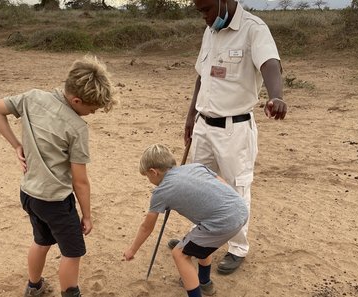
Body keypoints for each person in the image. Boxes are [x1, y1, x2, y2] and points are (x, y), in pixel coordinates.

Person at [168, 0, 288, 275]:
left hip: (235, 129)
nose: (205, 18)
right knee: (199, 186)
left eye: (207, 9)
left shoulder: (254, 29)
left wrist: (276, 96)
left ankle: (237, 248)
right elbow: (202, 77)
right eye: (200, 12)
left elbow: (270, 64)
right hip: (203, 125)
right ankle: (199, 240)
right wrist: (190, 116)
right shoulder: (210, 31)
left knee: (237, 188)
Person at [0, 55, 116, 297]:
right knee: (73, 252)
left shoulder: (32, 97)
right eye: (92, 109)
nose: (92, 113)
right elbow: (80, 181)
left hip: (29, 194)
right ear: (76, 100)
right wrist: (87, 215)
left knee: (42, 240)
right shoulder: (77, 128)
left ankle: (33, 287)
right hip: (55, 201)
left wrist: (15, 144)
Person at [124, 144, 248, 297]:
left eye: (147, 177)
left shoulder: (161, 192)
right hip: (240, 210)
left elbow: (146, 227)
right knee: (201, 242)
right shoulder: (195, 167)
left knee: (180, 254)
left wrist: (132, 250)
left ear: (153, 172)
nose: (149, 180)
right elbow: (221, 182)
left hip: (222, 222)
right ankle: (204, 282)